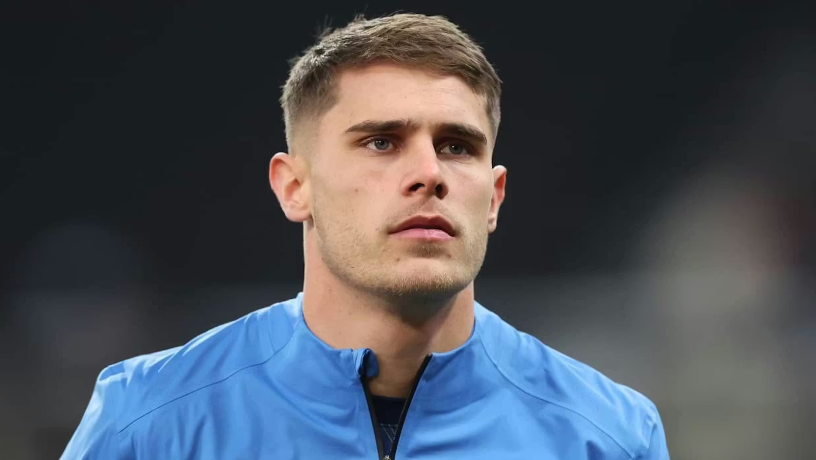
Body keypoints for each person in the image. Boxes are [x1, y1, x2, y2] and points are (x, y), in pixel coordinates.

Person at [61, 12, 670, 459]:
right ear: (294, 187)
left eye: (457, 147)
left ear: (494, 197)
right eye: (382, 142)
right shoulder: (151, 423)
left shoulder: (607, 437)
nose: (429, 173)